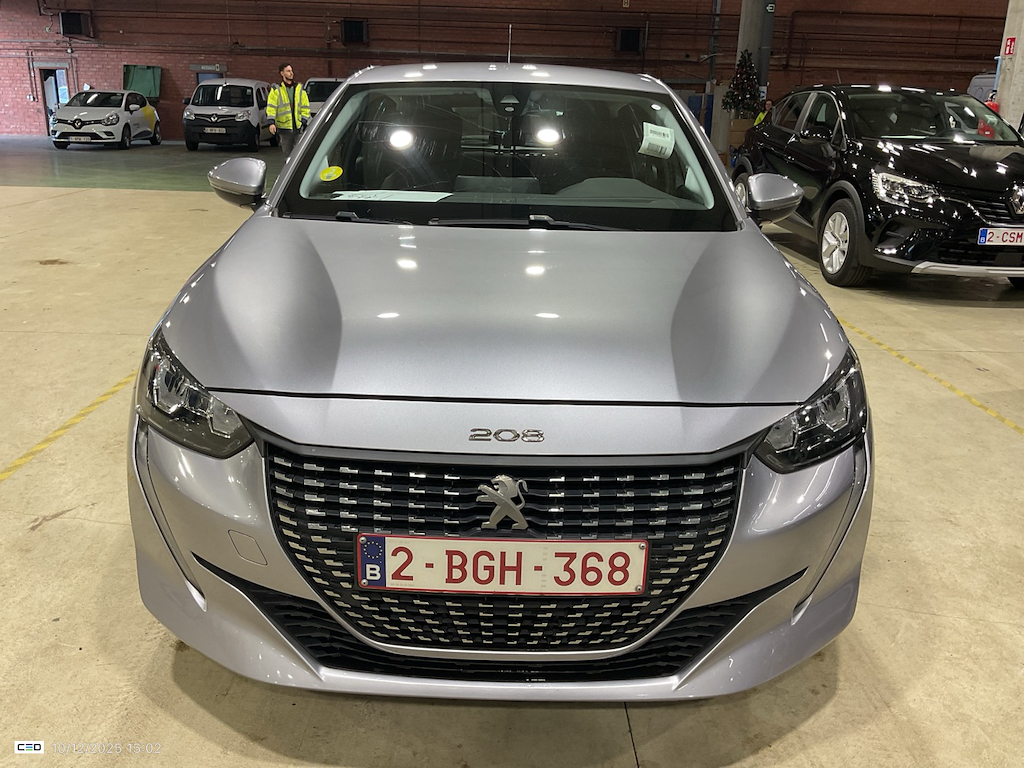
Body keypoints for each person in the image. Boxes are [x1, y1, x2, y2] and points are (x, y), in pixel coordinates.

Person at [267, 63, 310, 156]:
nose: (291, 73)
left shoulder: (299, 88)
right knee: (288, 154)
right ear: (282, 73)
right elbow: (271, 107)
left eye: (291, 71)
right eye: (288, 71)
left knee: (299, 154)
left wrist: (304, 120)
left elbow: (305, 106)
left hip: (298, 126)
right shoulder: (276, 89)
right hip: (284, 127)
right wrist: (271, 122)